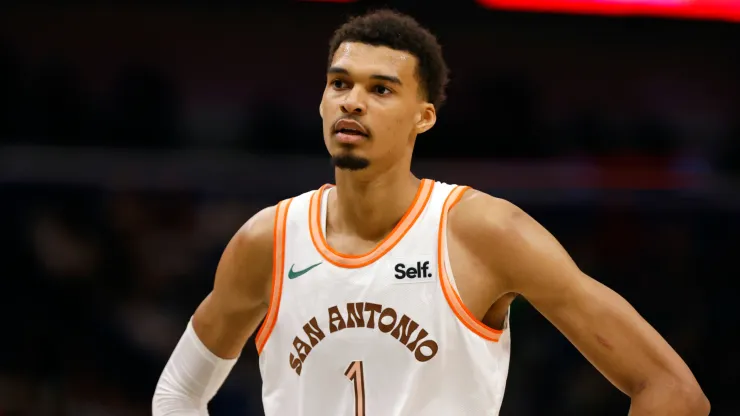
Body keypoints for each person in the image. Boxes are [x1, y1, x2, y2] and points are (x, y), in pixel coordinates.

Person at [152, 9, 709, 416]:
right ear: (321, 101)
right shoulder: (266, 240)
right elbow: (177, 393)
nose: (352, 101)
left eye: (380, 89)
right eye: (340, 84)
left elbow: (670, 390)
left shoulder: (485, 232)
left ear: (424, 117)